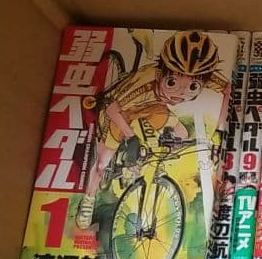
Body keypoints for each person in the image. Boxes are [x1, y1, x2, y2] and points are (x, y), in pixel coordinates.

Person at [76, 30, 230, 229]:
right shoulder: (144, 84)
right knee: (102, 163)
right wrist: (131, 137)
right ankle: (88, 199)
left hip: (154, 107)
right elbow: (113, 110)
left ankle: (148, 165)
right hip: (123, 112)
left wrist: (220, 129)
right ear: (159, 75)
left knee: (181, 135)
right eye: (172, 83)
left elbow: (227, 88)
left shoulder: (203, 76)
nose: (180, 93)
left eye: (192, 87)